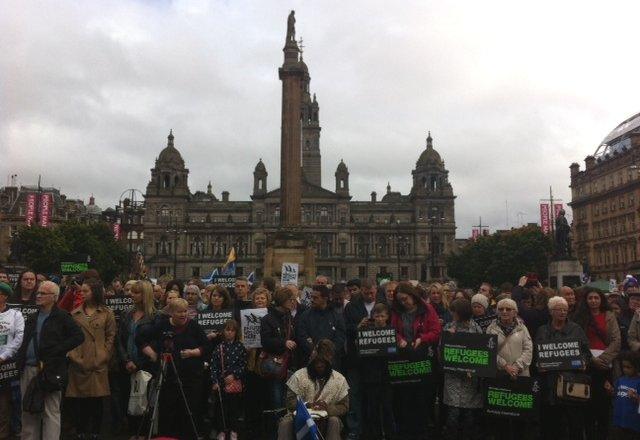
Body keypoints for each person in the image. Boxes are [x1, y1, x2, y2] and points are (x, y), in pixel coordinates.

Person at [17, 281, 84, 440]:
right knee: (28, 409)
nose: (38, 295)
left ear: (54, 297)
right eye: (38, 292)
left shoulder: (62, 317)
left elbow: (78, 337)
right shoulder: (33, 316)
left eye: (43, 293)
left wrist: (58, 350)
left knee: (50, 411)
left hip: (51, 369)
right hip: (29, 369)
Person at [137, 298, 209, 439]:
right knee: (168, 410)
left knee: (189, 410)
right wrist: (151, 353)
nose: (183, 315)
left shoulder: (194, 326)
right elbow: (140, 338)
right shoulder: (162, 326)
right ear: (171, 313)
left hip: (191, 377)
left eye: (185, 311)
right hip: (168, 376)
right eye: (179, 312)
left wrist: (193, 352)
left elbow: (207, 346)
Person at [66, 279, 117, 439]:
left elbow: (111, 336)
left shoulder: (107, 313)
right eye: (82, 291)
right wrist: (74, 356)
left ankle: (95, 431)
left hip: (98, 362)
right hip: (79, 362)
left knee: (97, 400)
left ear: (94, 292)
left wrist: (104, 354)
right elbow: (69, 338)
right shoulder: (75, 314)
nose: (82, 293)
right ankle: (80, 430)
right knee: (79, 401)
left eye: (86, 291)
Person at [391, 282, 441, 439]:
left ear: (412, 296)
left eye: (405, 299)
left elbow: (436, 331)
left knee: (421, 400)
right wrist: (399, 339)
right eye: (400, 300)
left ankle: (421, 432)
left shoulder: (427, 309)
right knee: (404, 399)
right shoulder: (396, 312)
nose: (403, 302)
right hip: (402, 358)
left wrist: (422, 338)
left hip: (423, 359)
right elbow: (392, 330)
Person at [536, 296, 591, 440]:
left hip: (572, 383)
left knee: (575, 424)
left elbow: (586, 352)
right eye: (559, 309)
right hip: (549, 384)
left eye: (565, 310)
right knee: (551, 425)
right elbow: (536, 354)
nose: (562, 312)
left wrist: (584, 361)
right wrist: (538, 365)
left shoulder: (576, 329)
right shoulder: (542, 330)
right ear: (551, 311)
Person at [277, 340, 349, 440]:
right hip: (299, 418)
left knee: (334, 421)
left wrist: (327, 408)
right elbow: (290, 401)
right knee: (285, 424)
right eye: (316, 362)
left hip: (327, 418)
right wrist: (307, 405)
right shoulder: (298, 376)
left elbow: (344, 406)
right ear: (312, 361)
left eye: (322, 362)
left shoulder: (339, 380)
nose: (319, 365)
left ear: (329, 362)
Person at [573, 289, 621, 440]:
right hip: (586, 365)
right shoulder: (579, 317)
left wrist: (604, 359)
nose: (593, 301)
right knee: (587, 405)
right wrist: (591, 359)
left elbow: (616, 340)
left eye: (596, 298)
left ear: (601, 300)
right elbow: (576, 342)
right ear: (586, 301)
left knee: (603, 405)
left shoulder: (610, 316)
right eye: (590, 298)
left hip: (605, 364)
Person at [486, 298, 533, 439]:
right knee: (501, 416)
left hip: (520, 375)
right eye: (501, 309)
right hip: (499, 375)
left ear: (515, 312)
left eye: (508, 309)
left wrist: (517, 367)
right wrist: (505, 365)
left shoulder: (523, 328)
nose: (504, 312)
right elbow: (489, 351)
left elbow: (529, 349)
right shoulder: (490, 328)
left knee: (520, 416)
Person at [115, 280, 156, 435]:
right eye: (131, 291)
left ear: (145, 295)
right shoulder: (126, 313)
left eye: (136, 292)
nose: (132, 295)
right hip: (126, 365)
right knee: (126, 400)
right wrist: (126, 360)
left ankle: (143, 433)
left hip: (144, 367)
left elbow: (153, 345)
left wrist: (138, 364)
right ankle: (132, 433)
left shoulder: (155, 316)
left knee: (142, 403)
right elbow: (120, 340)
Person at [441, 298, 484, 440]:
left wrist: (474, 369)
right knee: (452, 416)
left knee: (469, 417)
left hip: (470, 379)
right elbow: (441, 352)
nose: (452, 314)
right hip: (453, 379)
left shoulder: (476, 328)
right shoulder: (449, 326)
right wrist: (449, 337)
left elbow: (482, 353)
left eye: (454, 312)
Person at [343, 278, 378, 439]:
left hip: (376, 357)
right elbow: (345, 327)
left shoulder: (382, 306)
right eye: (366, 293)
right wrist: (358, 326)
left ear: (375, 290)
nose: (369, 295)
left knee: (373, 395)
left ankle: (373, 427)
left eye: (372, 293)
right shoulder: (351, 306)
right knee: (355, 394)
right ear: (362, 291)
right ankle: (355, 429)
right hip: (356, 358)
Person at [358, 303, 395, 440]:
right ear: (372, 317)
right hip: (370, 376)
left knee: (387, 408)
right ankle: (375, 435)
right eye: (377, 316)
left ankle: (390, 434)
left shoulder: (392, 332)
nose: (379, 319)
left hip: (387, 376)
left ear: (387, 317)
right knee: (372, 408)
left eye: (382, 316)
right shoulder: (366, 332)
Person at [260, 287, 297, 414]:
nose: (294, 302)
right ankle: (277, 428)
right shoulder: (267, 319)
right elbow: (265, 341)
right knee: (277, 400)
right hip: (276, 365)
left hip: (290, 365)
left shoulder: (290, 318)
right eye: (291, 299)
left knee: (289, 400)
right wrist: (283, 343)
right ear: (283, 301)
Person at [211, 320, 247, 440]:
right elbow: (214, 366)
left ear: (236, 332)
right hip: (221, 383)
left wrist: (234, 375)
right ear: (223, 331)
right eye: (227, 330)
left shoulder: (240, 347)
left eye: (232, 330)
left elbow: (243, 365)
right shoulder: (219, 347)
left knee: (234, 408)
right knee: (220, 408)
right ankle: (221, 430)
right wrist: (215, 381)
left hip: (234, 382)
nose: (229, 333)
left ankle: (234, 430)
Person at [296, 284, 346, 368]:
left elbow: (340, 337)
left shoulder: (336, 316)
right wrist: (313, 350)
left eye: (315, 298)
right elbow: (302, 335)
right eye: (311, 297)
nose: (312, 300)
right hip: (310, 360)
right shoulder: (305, 316)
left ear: (325, 299)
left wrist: (328, 352)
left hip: (331, 362)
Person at [0, 282, 24, 440]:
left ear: (4, 296)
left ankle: (5, 432)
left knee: (5, 401)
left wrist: (4, 356)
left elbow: (18, 337)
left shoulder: (16, 315)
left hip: (6, 364)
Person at [605, 351, 640, 440]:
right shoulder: (621, 380)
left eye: (629, 367)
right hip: (618, 420)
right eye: (623, 367)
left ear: (636, 367)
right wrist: (609, 390)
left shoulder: (638, 382)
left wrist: (636, 397)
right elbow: (614, 394)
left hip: (633, 423)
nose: (625, 369)